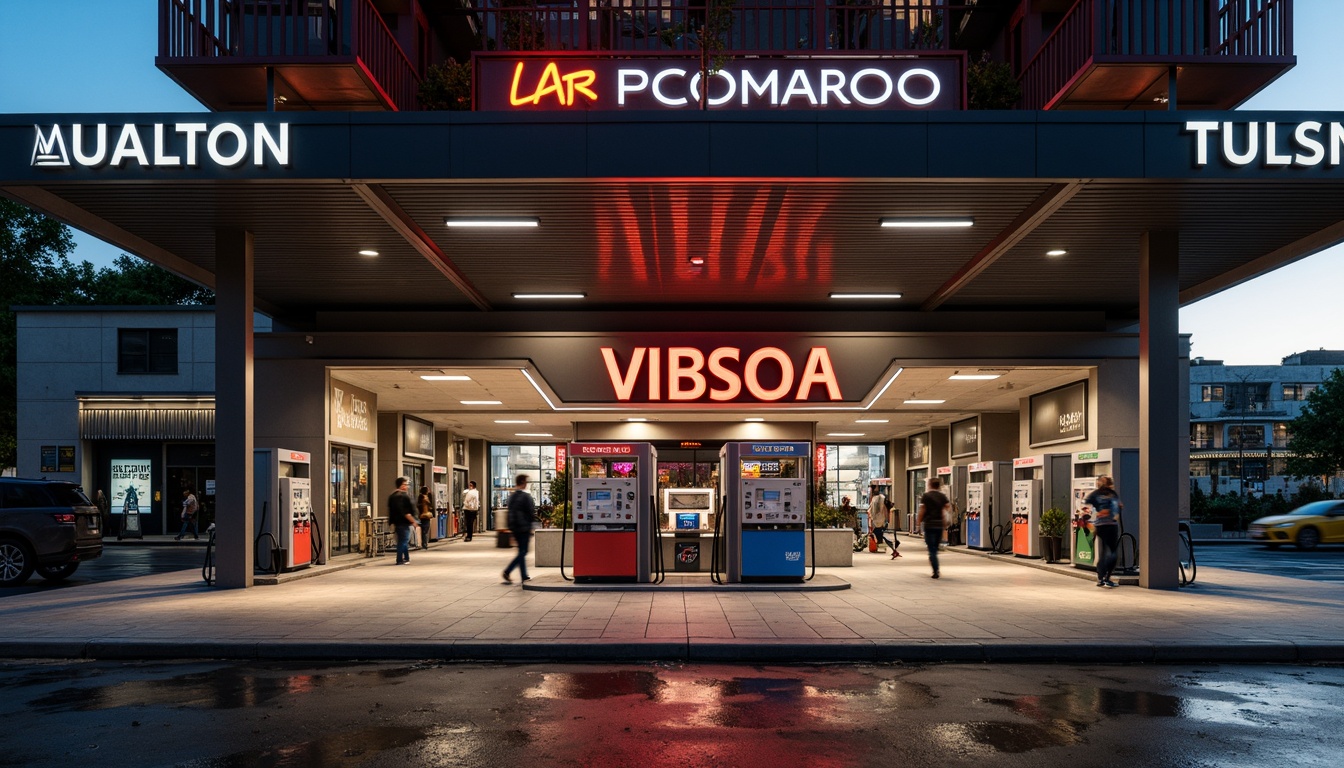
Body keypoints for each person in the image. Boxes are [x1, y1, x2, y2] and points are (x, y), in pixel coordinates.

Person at [1085, 475, 1123, 588]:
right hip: (1109, 525)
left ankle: (1101, 578)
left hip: (1101, 526)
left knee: (1104, 552)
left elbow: (1086, 502)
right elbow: (1118, 507)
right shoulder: (1112, 494)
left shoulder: (1096, 494)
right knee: (1112, 552)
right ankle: (1106, 577)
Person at [502, 474, 534, 584]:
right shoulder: (526, 497)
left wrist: (511, 528)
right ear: (523, 482)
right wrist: (530, 527)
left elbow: (509, 513)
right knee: (523, 552)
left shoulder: (511, 497)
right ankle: (508, 570)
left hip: (515, 528)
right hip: (524, 528)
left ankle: (524, 576)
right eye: (526, 482)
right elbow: (530, 513)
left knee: (521, 551)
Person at [917, 478, 951, 579]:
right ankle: (935, 567)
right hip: (939, 525)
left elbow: (922, 510)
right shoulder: (942, 496)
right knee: (935, 548)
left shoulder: (926, 496)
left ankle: (935, 570)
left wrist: (918, 523)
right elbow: (947, 508)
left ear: (930, 485)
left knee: (931, 549)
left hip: (929, 525)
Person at [387, 476, 417, 565]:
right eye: (405, 484)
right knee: (403, 541)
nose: (406, 486)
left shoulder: (392, 496)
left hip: (397, 522)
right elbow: (405, 512)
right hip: (403, 522)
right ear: (400, 485)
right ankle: (399, 559)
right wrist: (413, 521)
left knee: (403, 540)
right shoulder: (402, 496)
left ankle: (406, 558)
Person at [417, 486, 433, 550]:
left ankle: (424, 543)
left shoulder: (428, 497)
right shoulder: (422, 497)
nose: (429, 491)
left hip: (425, 515)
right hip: (424, 515)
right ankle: (424, 544)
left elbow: (430, 505)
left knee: (425, 530)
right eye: (427, 490)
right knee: (424, 530)